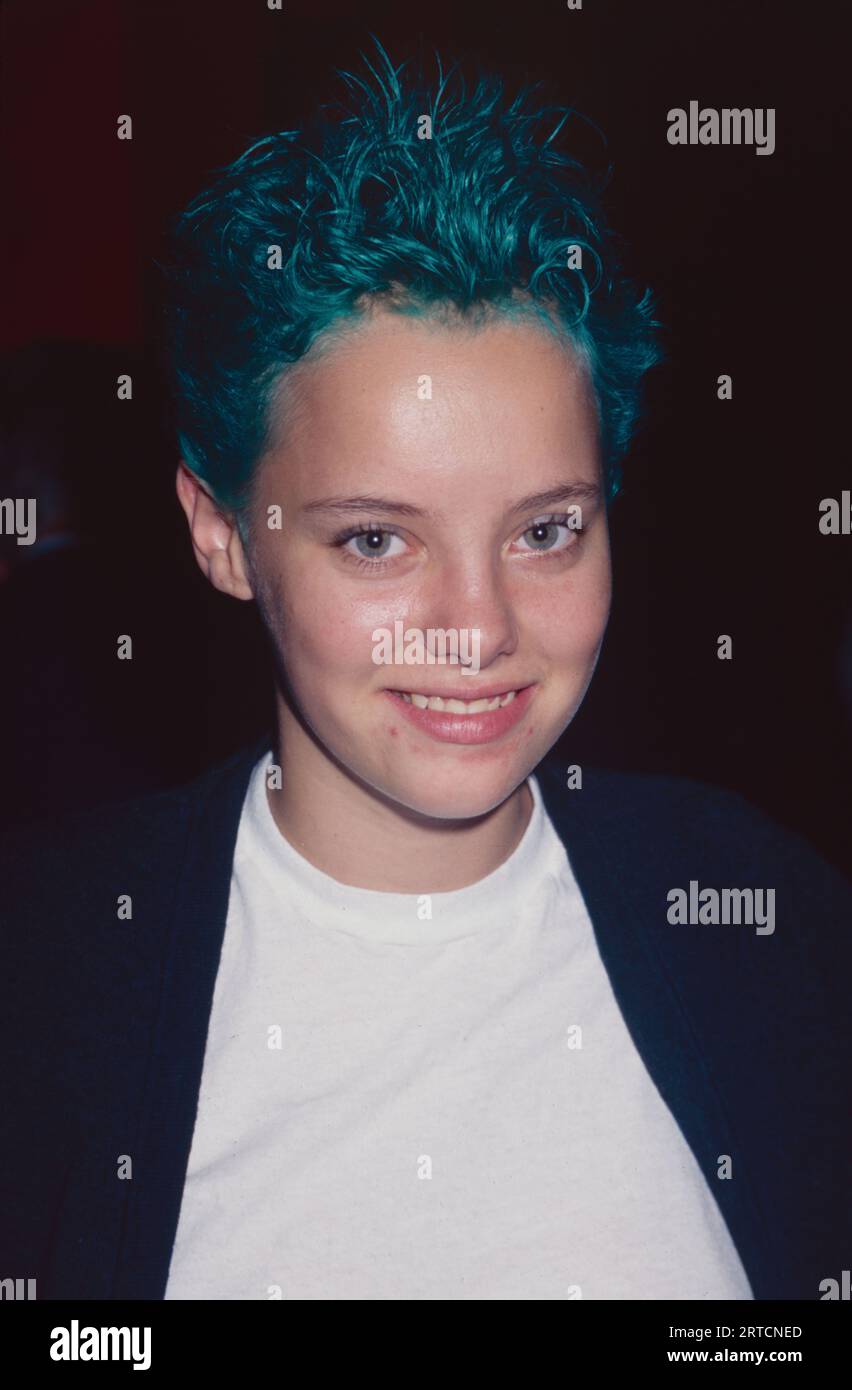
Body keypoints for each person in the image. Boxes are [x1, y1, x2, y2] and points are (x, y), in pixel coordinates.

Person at [1, 42, 849, 1303]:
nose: (477, 626)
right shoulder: (46, 984)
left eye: (546, 529)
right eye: (377, 539)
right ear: (222, 531)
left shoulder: (767, 921)